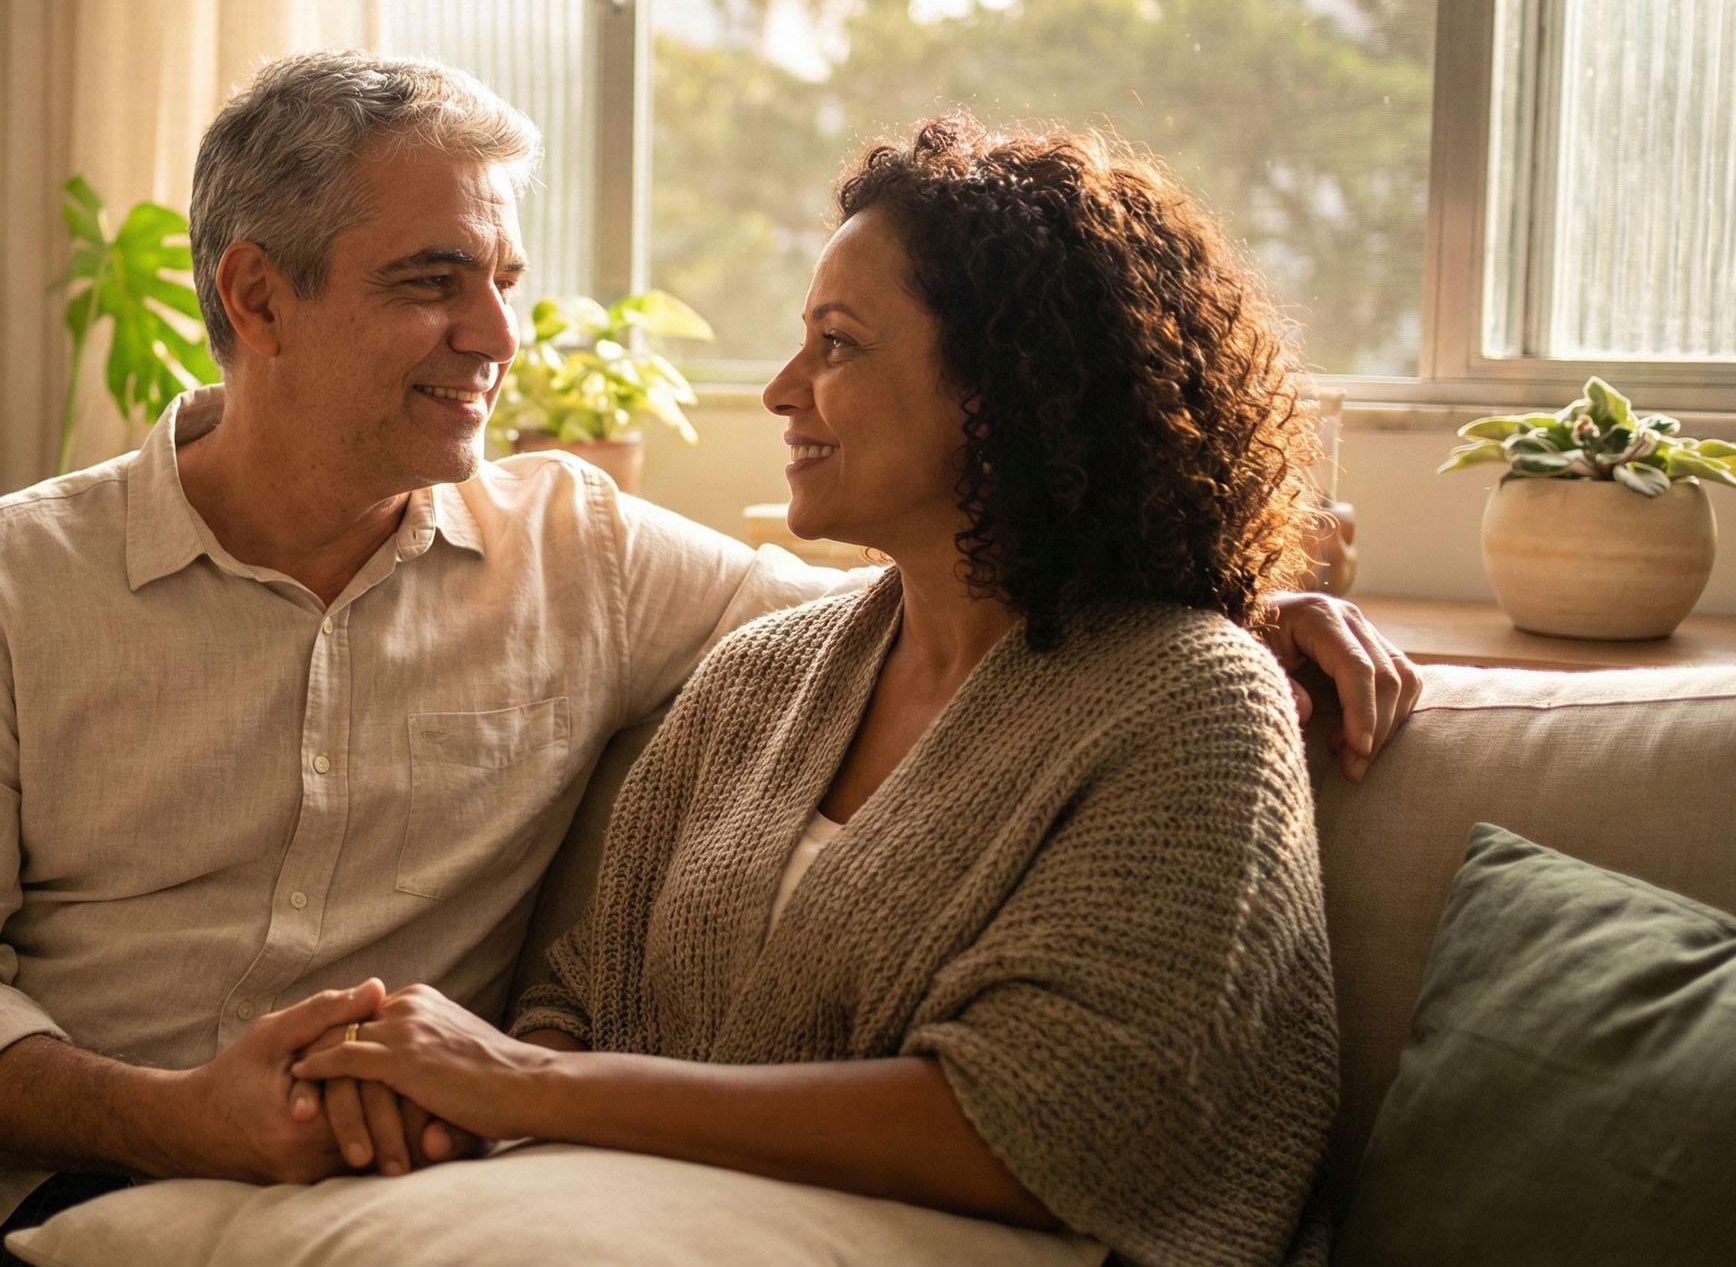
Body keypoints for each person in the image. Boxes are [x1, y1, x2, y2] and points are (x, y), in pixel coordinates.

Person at [0, 56, 1406, 1267]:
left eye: (502, 283)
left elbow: (967, 618)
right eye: (430, 285)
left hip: (320, 1212)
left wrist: (1249, 583)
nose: (495, 340)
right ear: (251, 295)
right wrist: (163, 1113)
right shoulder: (4, 578)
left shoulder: (590, 562)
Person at [287, 113, 1340, 1266]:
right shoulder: (762, 674)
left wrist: (530, 1087)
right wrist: (481, 1124)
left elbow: (1041, 1132)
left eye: (836, 345)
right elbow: (581, 996)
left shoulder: (1188, 706)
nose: (783, 389)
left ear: (1006, 390)